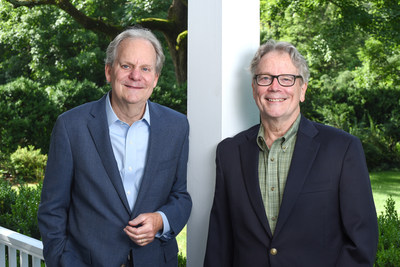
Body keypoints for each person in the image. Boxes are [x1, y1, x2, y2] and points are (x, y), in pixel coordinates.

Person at [204, 40, 378, 266]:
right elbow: (220, 240)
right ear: (254, 88)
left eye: (286, 78)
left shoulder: (342, 149)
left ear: (302, 89)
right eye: (265, 78)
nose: (275, 87)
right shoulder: (229, 152)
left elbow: (361, 241)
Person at [38, 27, 192, 267]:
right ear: (109, 71)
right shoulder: (71, 127)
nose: (136, 76)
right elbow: (52, 209)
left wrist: (161, 220)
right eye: (126, 66)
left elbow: (180, 196)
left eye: (145, 69)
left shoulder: (177, 126)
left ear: (156, 78)